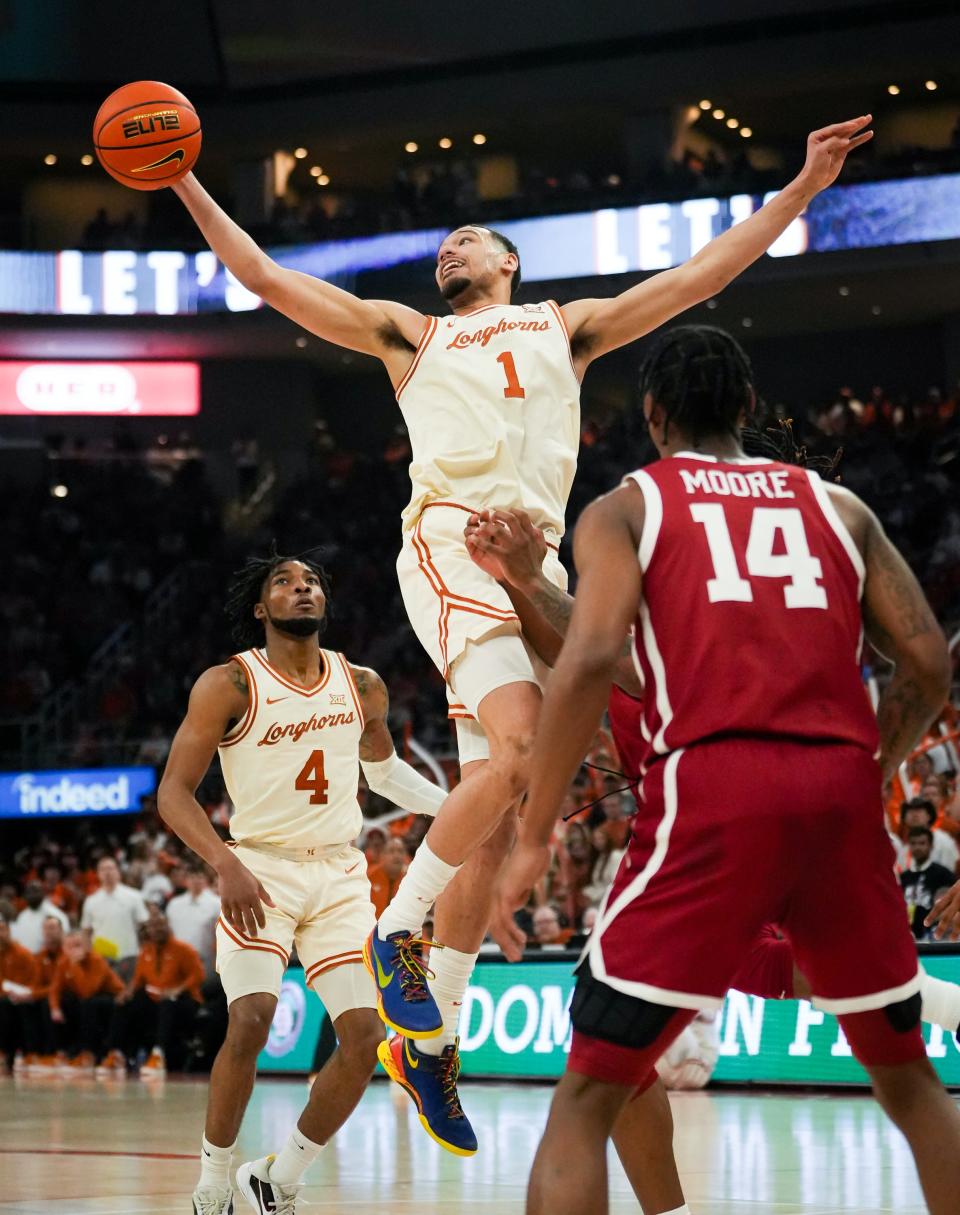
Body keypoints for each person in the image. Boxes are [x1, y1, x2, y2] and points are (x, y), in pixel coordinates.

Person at [169, 117, 873, 1143]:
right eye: (441, 245)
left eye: (468, 240)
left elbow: (697, 276)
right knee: (513, 755)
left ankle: (431, 1042)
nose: (448, 250)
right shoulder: (409, 331)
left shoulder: (567, 323)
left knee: (494, 812)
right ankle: (398, 936)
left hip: (532, 566)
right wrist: (187, 181)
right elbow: (268, 278)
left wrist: (803, 186)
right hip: (456, 543)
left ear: (508, 263)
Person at [487, 325, 960, 1213]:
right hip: (837, 798)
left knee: (585, 1099)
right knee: (911, 1087)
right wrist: (870, 764)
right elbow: (930, 663)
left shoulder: (626, 508)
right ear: (748, 408)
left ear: (653, 415)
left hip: (712, 794)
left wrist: (534, 832)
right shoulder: (838, 507)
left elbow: (592, 658)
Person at [156, 552, 448, 1215]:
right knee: (252, 1018)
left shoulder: (362, 683)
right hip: (260, 868)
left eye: (311, 580)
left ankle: (280, 1175)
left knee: (364, 1036)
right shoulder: (230, 682)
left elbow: (386, 773)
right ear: (261, 608)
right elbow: (172, 794)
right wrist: (222, 861)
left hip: (339, 873)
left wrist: (458, 808)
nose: (302, 588)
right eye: (285, 582)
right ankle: (212, 1181)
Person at [105, 910, 205, 1078]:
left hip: (184, 1000)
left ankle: (158, 1055)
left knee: (168, 1002)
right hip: (156, 999)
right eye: (153, 926)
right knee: (126, 1003)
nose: (157, 929)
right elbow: (138, 980)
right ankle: (116, 1053)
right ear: (148, 930)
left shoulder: (183, 949)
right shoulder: (146, 951)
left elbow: (198, 975)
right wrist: (127, 993)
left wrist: (177, 989)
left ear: (167, 926)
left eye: (160, 925)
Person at [49, 929, 124, 1073]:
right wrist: (55, 1008)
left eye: (77, 945)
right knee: (60, 1003)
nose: (73, 950)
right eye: (69, 946)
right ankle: (62, 1052)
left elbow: (88, 990)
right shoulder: (63, 961)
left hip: (112, 998)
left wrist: (75, 965)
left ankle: (89, 1053)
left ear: (86, 946)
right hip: (87, 999)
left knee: (88, 1004)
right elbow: (55, 988)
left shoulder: (96, 960)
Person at [80, 856, 149, 979]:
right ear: (98, 874)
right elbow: (86, 932)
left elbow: (145, 927)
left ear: (118, 872)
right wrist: (89, 956)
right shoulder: (91, 901)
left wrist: (144, 953)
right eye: (103, 869)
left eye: (111, 868)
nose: (107, 872)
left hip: (129, 955)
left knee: (130, 995)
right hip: (102, 956)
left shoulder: (134, 896)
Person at [901, 828, 956, 940]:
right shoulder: (903, 877)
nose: (917, 847)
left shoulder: (944, 874)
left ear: (931, 846)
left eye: (922, 843)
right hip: (906, 934)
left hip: (935, 935)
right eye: (913, 843)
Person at [166, 865, 221, 974]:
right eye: (192, 877)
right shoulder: (174, 904)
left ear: (205, 880)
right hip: (178, 959)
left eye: (199, 877)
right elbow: (170, 932)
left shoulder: (217, 903)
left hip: (205, 959)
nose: (196, 880)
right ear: (186, 880)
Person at [0, 913, 36, 1071]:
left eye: (2, 930)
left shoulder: (23, 954)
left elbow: (33, 980)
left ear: (9, 931)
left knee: (9, 1008)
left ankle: (14, 1054)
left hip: (22, 998)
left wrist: (24, 994)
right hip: (5, 996)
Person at [900, 798, 959, 873]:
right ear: (904, 818)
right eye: (910, 811)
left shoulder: (943, 841)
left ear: (929, 816)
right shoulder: (902, 845)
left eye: (919, 811)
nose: (914, 815)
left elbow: (949, 874)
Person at [11, 881, 69, 952]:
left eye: (35, 891)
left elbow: (65, 939)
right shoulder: (22, 916)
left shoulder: (56, 914)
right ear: (24, 896)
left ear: (43, 893)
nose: (32, 895)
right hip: (26, 958)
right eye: (29, 892)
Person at [367, 838, 409, 918]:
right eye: (391, 851)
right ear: (382, 855)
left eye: (400, 851)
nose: (396, 856)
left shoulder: (410, 879)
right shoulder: (369, 876)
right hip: (370, 926)